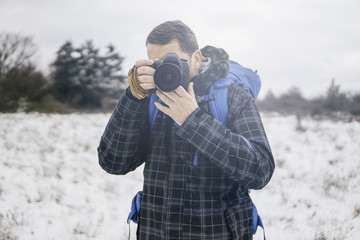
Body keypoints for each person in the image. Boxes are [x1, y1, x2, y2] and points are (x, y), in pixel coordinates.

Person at [98, 20, 275, 240]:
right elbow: (113, 162)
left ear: (196, 59)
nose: (165, 70)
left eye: (173, 61)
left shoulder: (230, 96)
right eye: (157, 63)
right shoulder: (149, 98)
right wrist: (132, 98)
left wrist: (193, 119)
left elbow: (260, 170)